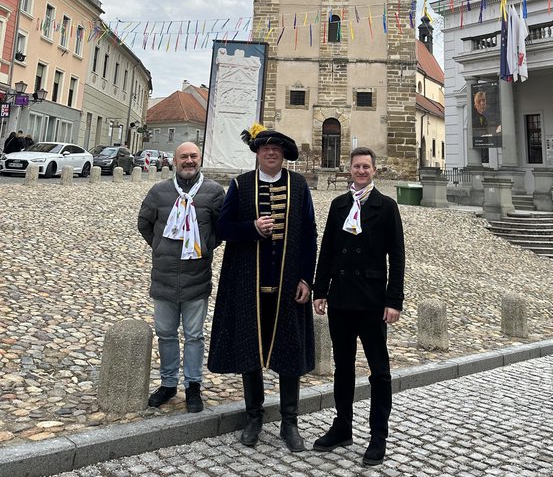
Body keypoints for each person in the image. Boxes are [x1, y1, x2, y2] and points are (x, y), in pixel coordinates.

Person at [207, 124, 316, 452]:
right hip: (248, 285)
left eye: (277, 149)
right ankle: (254, 416)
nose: (271, 153)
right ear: (257, 153)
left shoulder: (298, 186)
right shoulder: (240, 185)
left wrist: (306, 279)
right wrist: (251, 228)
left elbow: (309, 234)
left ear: (283, 155)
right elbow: (223, 228)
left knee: (289, 354)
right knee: (251, 351)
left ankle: (289, 422)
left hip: (287, 286)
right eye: (265, 148)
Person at [313, 147, 405, 468]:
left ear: (374, 170)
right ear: (349, 169)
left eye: (366, 166)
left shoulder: (387, 207)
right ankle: (342, 427)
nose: (361, 171)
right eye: (356, 166)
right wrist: (319, 290)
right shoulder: (339, 206)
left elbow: (398, 256)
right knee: (343, 368)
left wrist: (394, 300)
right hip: (341, 299)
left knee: (379, 371)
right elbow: (327, 250)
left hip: (372, 301)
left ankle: (378, 435)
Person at [137, 141, 224, 413]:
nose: (189, 161)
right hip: (163, 276)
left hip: (196, 276)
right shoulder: (159, 191)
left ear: (200, 160)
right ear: (175, 161)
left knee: (195, 335)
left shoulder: (213, 192)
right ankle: (168, 383)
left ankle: (193, 385)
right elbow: (145, 223)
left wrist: (205, 246)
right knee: (165, 333)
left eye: (193, 156)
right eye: (184, 156)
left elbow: (221, 228)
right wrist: (162, 247)